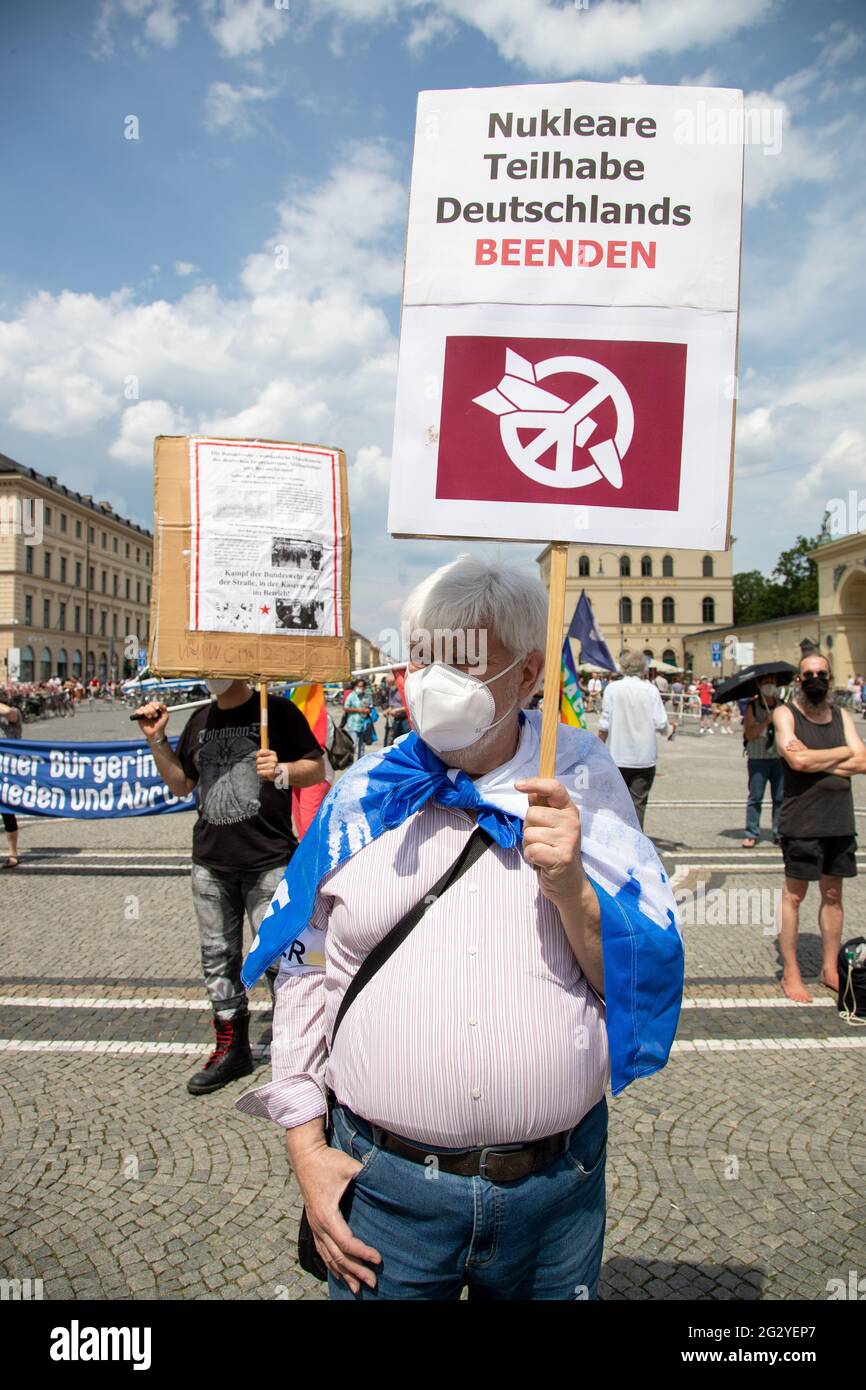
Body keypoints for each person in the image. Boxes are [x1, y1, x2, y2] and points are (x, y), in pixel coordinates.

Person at [236, 558, 683, 1301]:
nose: (433, 681)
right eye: (424, 657)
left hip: (555, 1200)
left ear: (529, 672)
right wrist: (306, 1148)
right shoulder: (361, 799)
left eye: (464, 661)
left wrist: (572, 885)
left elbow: (632, 977)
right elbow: (304, 969)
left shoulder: (584, 791)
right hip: (387, 1198)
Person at [133, 679, 325, 1093]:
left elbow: (317, 768)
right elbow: (182, 784)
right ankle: (230, 1047)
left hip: (269, 860)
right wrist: (157, 741)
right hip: (210, 862)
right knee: (218, 958)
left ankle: (299, 1052)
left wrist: (283, 771)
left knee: (283, 960)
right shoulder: (200, 718)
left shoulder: (276, 711)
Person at [773, 654, 865, 1002]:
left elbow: (864, 760)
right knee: (794, 896)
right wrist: (844, 753)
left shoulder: (841, 715)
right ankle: (791, 971)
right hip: (803, 821)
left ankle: (830, 967)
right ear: (799, 679)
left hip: (839, 819)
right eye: (808, 674)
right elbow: (796, 759)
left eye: (821, 674)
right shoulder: (786, 714)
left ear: (830, 678)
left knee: (833, 895)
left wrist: (816, 758)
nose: (815, 679)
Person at [597, 651, 675, 830]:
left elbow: (604, 724)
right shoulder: (650, 690)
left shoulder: (612, 688)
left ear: (623, 667)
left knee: (615, 804)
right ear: (643, 668)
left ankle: (616, 841)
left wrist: (598, 746)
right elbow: (661, 723)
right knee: (638, 804)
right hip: (644, 757)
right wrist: (671, 730)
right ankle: (636, 843)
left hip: (617, 756)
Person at [741, 677, 785, 848]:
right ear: (759, 685)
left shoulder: (782, 705)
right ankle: (751, 832)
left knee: (780, 797)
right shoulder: (753, 706)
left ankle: (779, 832)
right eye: (765, 682)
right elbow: (750, 734)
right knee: (755, 797)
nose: (769, 685)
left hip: (779, 758)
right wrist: (766, 721)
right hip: (758, 758)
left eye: (772, 681)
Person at [0, 696, 23, 868]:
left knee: (7, 813)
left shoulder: (14, 714)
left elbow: (8, 713)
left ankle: (12, 853)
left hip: (7, 771)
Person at [344, 678, 372, 761]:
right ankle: (350, 764)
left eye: (362, 686)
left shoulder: (367, 696)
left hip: (364, 724)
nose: (360, 688)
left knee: (362, 746)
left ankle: (360, 764)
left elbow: (371, 707)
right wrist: (359, 710)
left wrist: (368, 710)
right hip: (353, 724)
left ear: (364, 688)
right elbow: (346, 708)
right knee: (353, 745)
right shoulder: (351, 695)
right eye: (358, 686)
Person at [382, 673, 409, 747]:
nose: (389, 685)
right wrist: (387, 710)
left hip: (406, 719)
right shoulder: (391, 690)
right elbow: (392, 705)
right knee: (396, 739)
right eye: (388, 683)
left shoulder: (403, 690)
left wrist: (398, 710)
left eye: (391, 683)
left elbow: (410, 706)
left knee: (406, 739)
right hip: (396, 720)